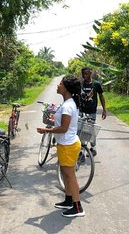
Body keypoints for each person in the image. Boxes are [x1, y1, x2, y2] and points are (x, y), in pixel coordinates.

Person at [37, 75, 84, 218]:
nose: (58, 85)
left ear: (67, 88)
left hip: (68, 145)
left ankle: (77, 207)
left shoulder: (68, 105)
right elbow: (62, 123)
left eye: (61, 84)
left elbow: (63, 128)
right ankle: (69, 200)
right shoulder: (67, 103)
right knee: (65, 174)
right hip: (65, 144)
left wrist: (46, 130)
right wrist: (54, 120)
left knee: (70, 176)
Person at [79, 66, 107, 156]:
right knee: (80, 130)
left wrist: (104, 110)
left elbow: (101, 96)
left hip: (91, 111)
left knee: (90, 130)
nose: (84, 76)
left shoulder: (96, 84)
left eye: (86, 73)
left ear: (90, 73)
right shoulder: (81, 84)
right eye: (83, 74)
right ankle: (81, 151)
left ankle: (93, 148)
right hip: (81, 110)